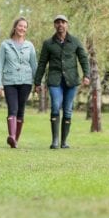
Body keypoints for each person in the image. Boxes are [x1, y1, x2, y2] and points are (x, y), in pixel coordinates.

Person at [33, 14, 90, 149]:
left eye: (63, 22)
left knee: (68, 110)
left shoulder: (75, 41)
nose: (60, 25)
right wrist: (37, 82)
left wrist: (86, 75)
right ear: (54, 25)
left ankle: (64, 142)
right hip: (54, 80)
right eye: (58, 22)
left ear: (67, 24)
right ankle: (55, 141)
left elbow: (83, 59)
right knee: (55, 105)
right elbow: (42, 63)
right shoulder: (48, 44)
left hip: (71, 81)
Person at [0, 17, 37, 148]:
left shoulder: (29, 46)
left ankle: (15, 141)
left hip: (26, 82)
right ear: (15, 27)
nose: (22, 28)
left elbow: (34, 65)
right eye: (20, 26)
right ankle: (12, 136)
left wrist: (38, 84)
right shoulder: (5, 45)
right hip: (10, 82)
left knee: (21, 110)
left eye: (25, 27)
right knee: (12, 108)